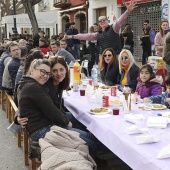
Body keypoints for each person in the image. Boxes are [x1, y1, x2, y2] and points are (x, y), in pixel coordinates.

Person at [16, 58, 101, 159]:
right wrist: (18, 116)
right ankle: (93, 158)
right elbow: (51, 111)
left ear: (66, 69)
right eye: (54, 71)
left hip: (48, 122)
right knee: (89, 141)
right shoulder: (39, 85)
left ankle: (95, 151)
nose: (58, 73)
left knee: (78, 117)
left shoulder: (46, 84)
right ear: (32, 70)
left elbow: (28, 103)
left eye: (61, 69)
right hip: (45, 127)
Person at [65, 1, 137, 56]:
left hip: (116, 56)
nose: (102, 21)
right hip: (105, 57)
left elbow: (119, 21)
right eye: (100, 21)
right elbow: (85, 36)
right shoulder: (98, 34)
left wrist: (127, 11)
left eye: (104, 20)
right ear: (99, 24)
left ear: (108, 21)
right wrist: (71, 36)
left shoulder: (114, 28)